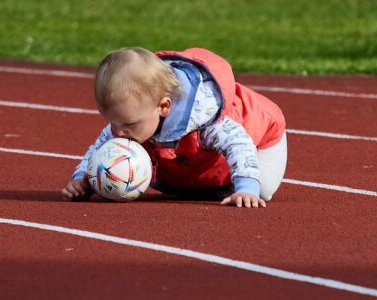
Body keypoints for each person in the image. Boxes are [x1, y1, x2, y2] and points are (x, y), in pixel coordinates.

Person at [62, 47, 287, 208]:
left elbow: (239, 144)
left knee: (262, 189)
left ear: (164, 107)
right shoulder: (132, 119)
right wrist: (84, 179)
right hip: (197, 160)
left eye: (129, 124)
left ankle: (224, 184)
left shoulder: (204, 119)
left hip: (262, 137)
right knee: (166, 182)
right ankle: (204, 185)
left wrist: (247, 187)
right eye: (113, 122)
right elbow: (100, 148)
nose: (119, 133)